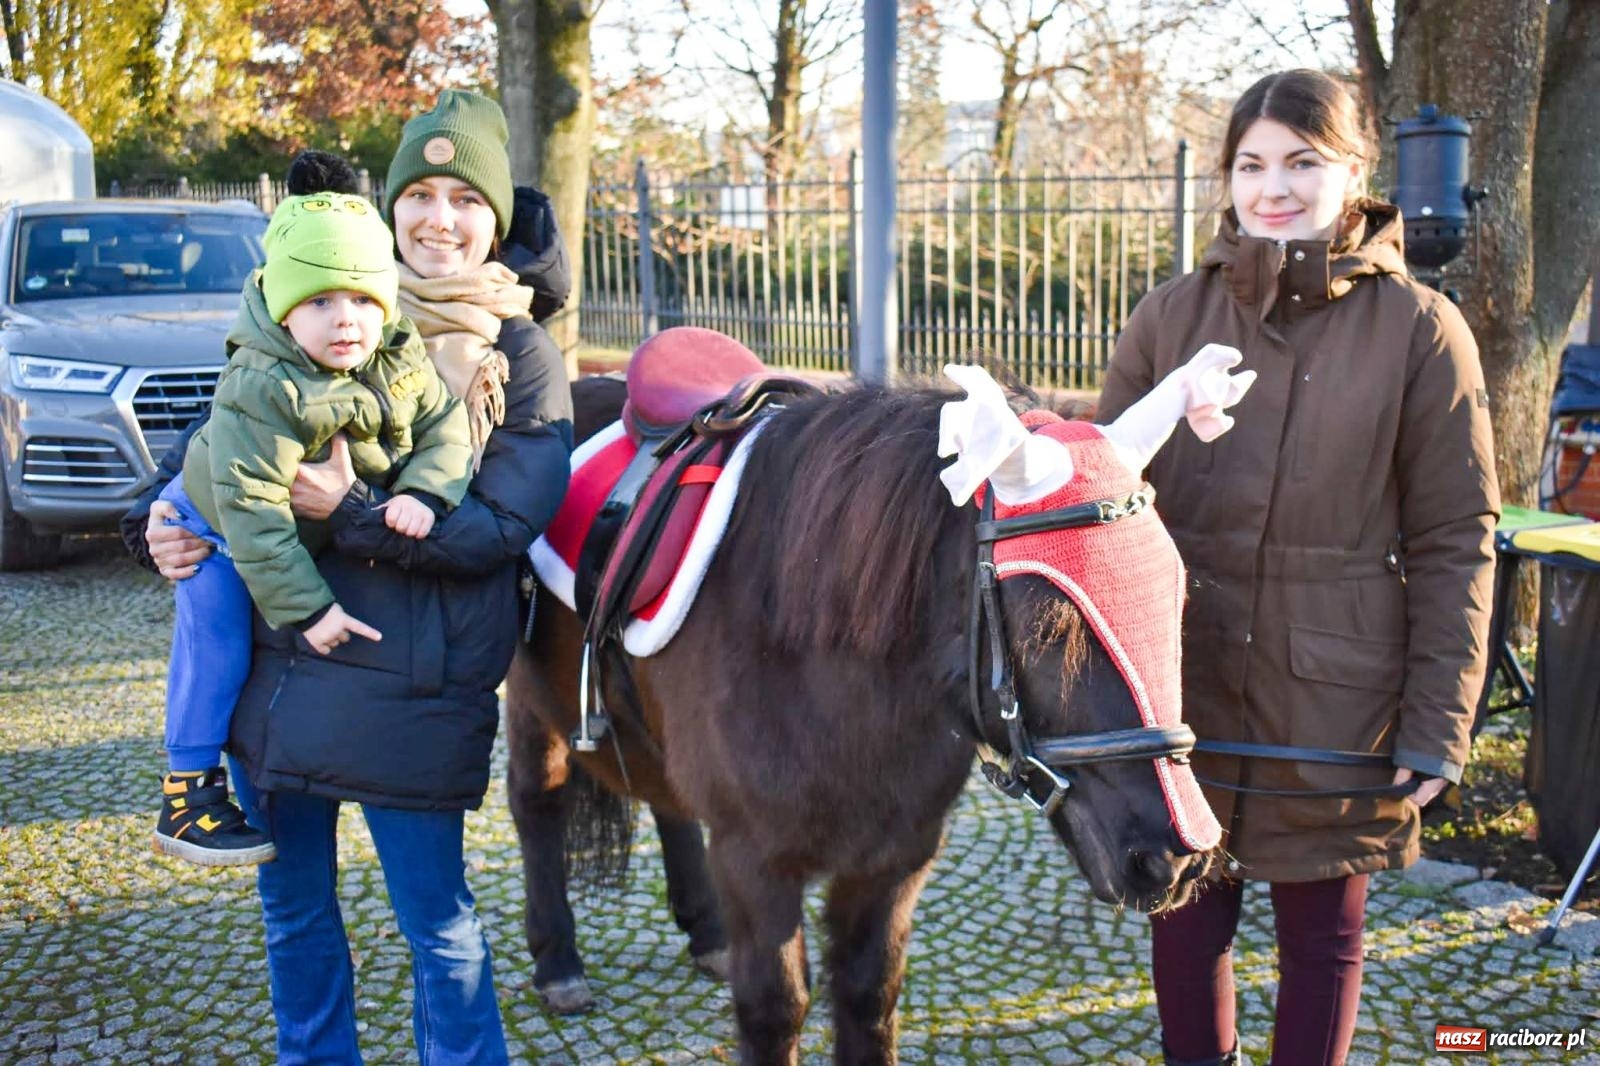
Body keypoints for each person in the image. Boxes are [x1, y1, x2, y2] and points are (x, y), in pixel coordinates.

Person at [126, 93, 573, 1064]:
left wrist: (350, 512)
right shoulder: (310, 297)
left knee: (438, 924)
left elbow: (501, 527)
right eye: (419, 193)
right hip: (278, 673)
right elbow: (222, 444)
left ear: (497, 216)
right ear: (389, 207)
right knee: (293, 914)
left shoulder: (520, 350)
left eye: (464, 197)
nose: (439, 218)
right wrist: (156, 519)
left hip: (410, 680)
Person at [1096, 69, 1498, 1066]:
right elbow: (1101, 500)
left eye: (1301, 162)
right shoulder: (1167, 317)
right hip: (1184, 684)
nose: (1272, 187)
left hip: (1338, 694)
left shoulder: (1419, 330)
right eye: (1250, 164)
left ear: (1354, 171)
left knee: (1322, 940)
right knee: (1182, 920)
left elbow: (1458, 535)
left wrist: (1437, 721)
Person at [153, 190, 473, 867]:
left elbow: (445, 424)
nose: (345, 320)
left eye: (361, 299)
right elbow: (256, 514)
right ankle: (186, 792)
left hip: (279, 517)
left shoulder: (397, 353)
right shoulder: (264, 382)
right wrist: (310, 610)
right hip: (215, 521)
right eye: (319, 301)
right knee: (218, 643)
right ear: (282, 308)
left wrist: (423, 489)